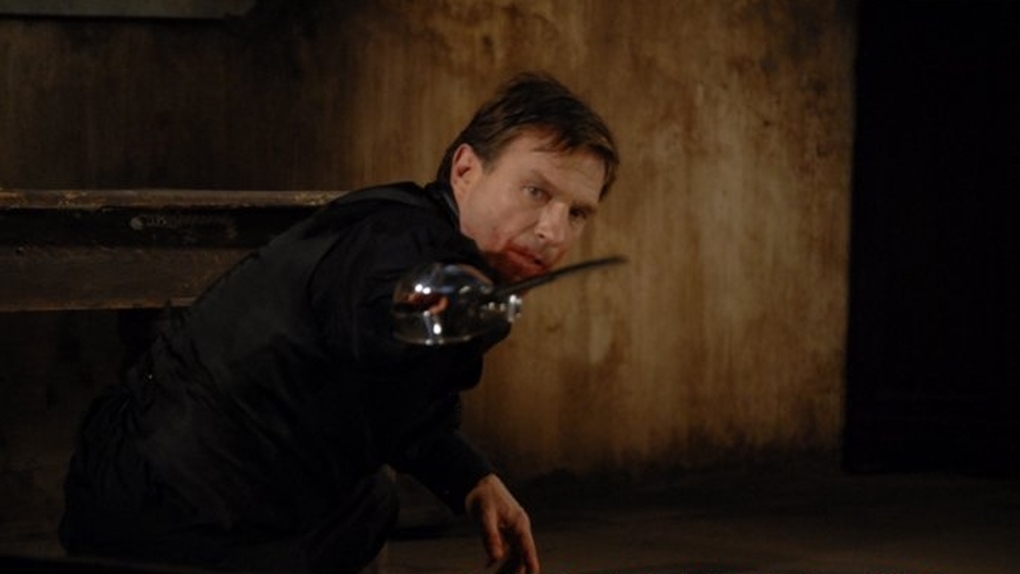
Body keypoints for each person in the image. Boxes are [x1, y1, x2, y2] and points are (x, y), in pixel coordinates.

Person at [59, 71, 618, 574]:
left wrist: (475, 481)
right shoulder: (396, 236)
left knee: (369, 500)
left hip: (225, 499)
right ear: (466, 170)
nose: (552, 230)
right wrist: (447, 303)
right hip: (166, 501)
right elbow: (377, 318)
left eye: (577, 213)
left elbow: (395, 405)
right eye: (535, 191)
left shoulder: (446, 252)